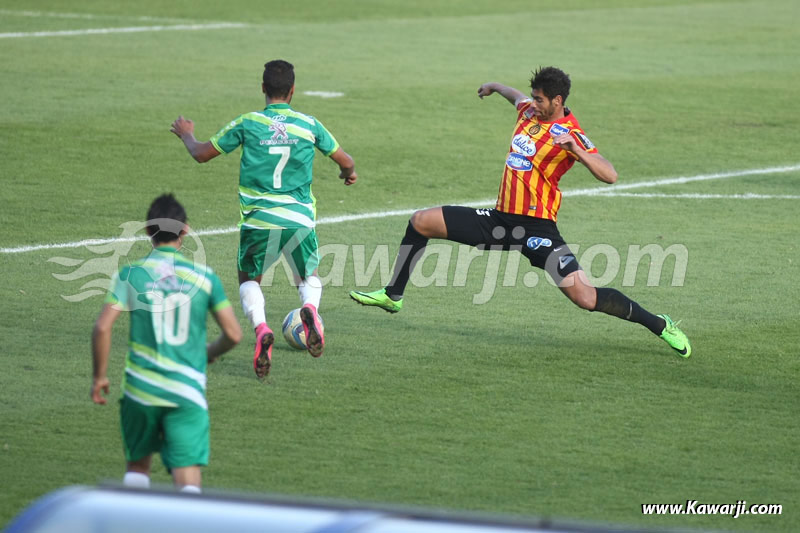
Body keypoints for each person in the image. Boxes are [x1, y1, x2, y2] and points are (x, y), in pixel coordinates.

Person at [350, 66, 691, 358]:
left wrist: (578, 151)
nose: (533, 103)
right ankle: (393, 296)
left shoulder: (572, 134)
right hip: (499, 222)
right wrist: (496, 87)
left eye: (540, 99)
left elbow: (610, 175)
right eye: (533, 97)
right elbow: (515, 97)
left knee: (585, 298)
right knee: (421, 221)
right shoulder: (529, 111)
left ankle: (659, 324)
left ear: (557, 101)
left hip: (538, 231)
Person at [171, 59, 357, 378]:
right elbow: (346, 160)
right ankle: (309, 309)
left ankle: (261, 329)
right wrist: (347, 173)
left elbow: (201, 153)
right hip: (299, 220)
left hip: (258, 221)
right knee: (307, 275)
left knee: (249, 280)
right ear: (293, 90)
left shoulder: (248, 123)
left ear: (263, 89)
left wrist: (187, 135)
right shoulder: (308, 124)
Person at [91, 194, 242, 493]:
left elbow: (102, 327)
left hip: (140, 389)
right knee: (187, 479)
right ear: (185, 230)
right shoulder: (205, 277)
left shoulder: (130, 274)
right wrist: (208, 353)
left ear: (148, 231)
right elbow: (234, 335)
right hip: (185, 392)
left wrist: (99, 376)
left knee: (137, 468)